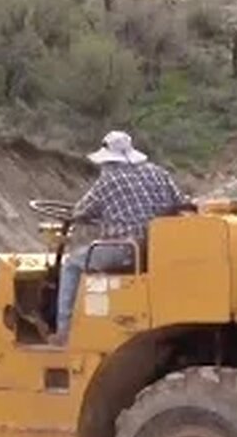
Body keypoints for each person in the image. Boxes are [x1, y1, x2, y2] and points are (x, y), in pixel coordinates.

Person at [54, 131, 186, 344]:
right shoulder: (158, 173)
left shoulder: (109, 180)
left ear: (107, 158)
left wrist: (81, 216)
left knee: (72, 264)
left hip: (124, 250)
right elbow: (181, 203)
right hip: (156, 249)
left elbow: (81, 211)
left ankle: (64, 331)